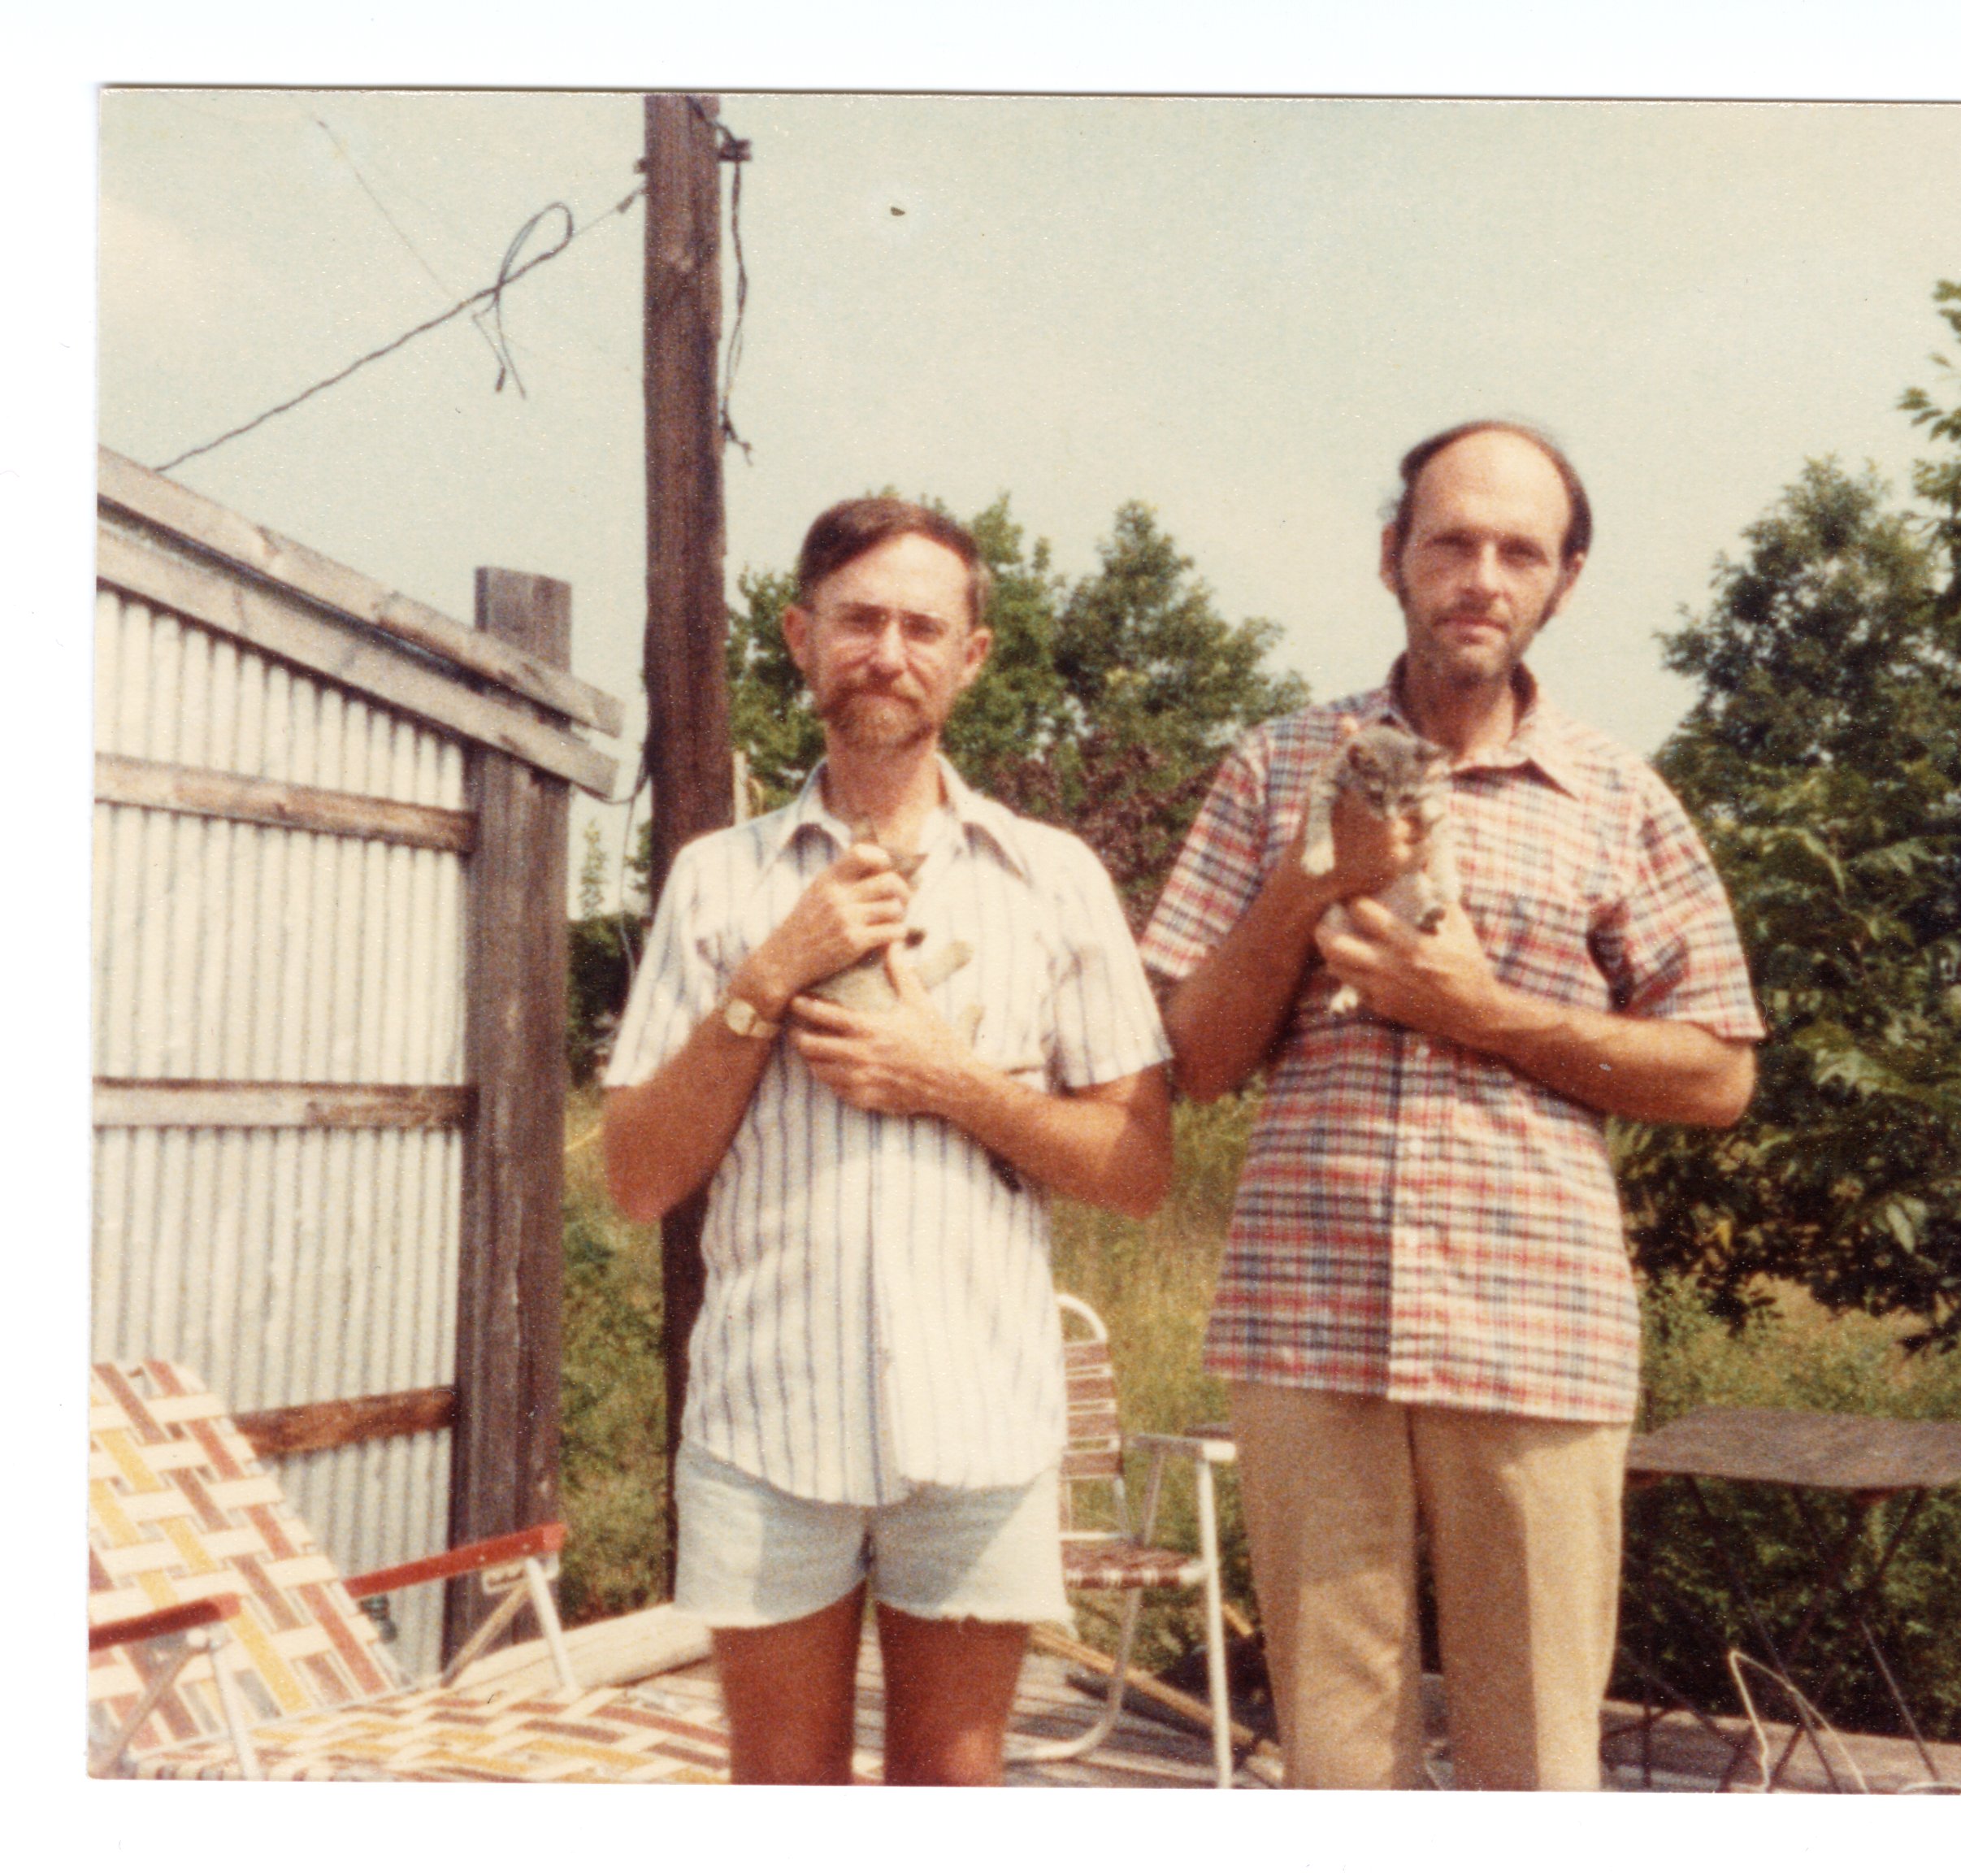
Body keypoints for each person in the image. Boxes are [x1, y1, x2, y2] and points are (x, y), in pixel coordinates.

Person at [1141, 421, 1764, 1790]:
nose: (1482, 574)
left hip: (1537, 1328)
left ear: (1565, 582)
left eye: (1519, 550)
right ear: (1393, 558)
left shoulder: (1618, 796)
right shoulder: (1272, 764)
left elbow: (1720, 1072)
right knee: (1334, 1768)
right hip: (1308, 1326)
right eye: (1453, 541)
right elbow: (1191, 1057)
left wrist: (1478, 1012)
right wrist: (1312, 882)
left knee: (1536, 1769)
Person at [602, 497, 1173, 1785]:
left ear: (972, 657)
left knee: (948, 1801)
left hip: (983, 1423)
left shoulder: (1052, 877)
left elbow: (1138, 1170)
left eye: (924, 625)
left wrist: (953, 1083)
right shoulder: (719, 879)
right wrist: (776, 969)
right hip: (768, 1426)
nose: (888, 652)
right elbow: (639, 1177)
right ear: (801, 640)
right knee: (785, 1800)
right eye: (858, 620)